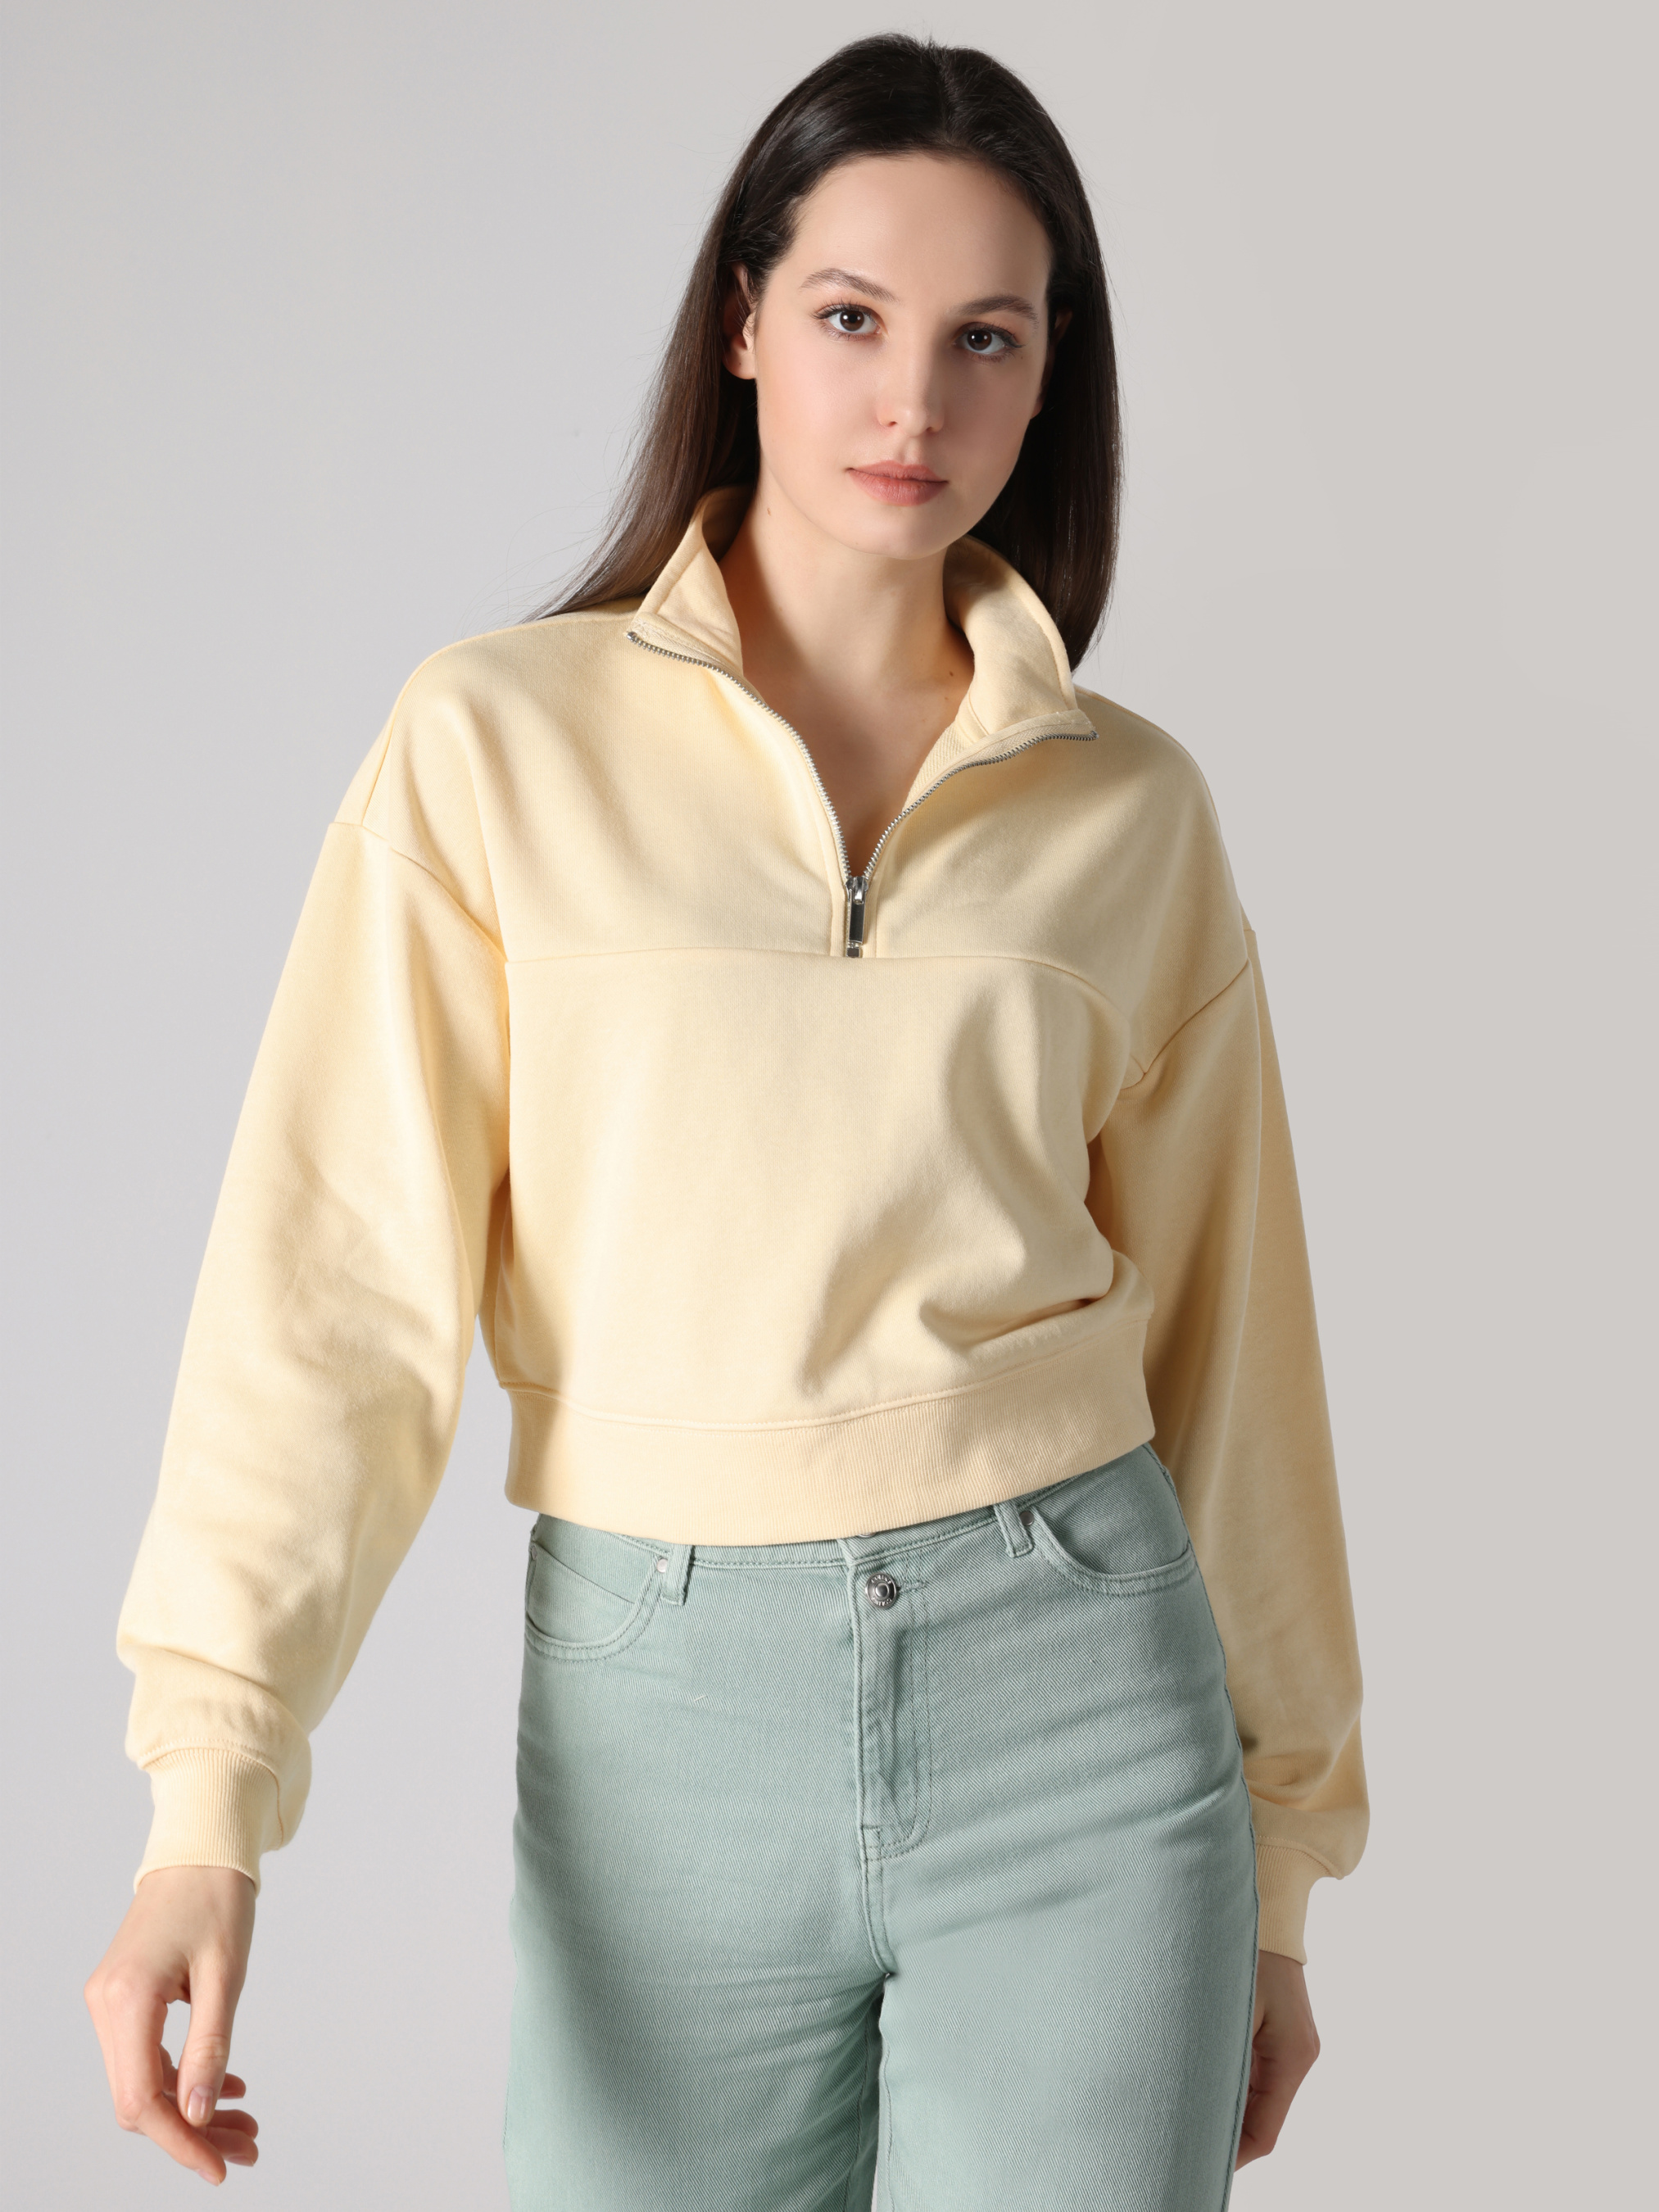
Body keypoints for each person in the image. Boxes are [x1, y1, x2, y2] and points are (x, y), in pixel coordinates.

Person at [85, 32, 1367, 2207]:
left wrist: (1281, 1861)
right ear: (745, 319)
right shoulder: (494, 744)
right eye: (854, 316)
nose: (914, 400)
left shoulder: (1131, 809)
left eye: (986, 338)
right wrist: (207, 1802)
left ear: (1050, 377)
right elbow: (331, 1296)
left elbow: (1237, 1353)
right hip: (662, 1708)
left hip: (1081, 1692)